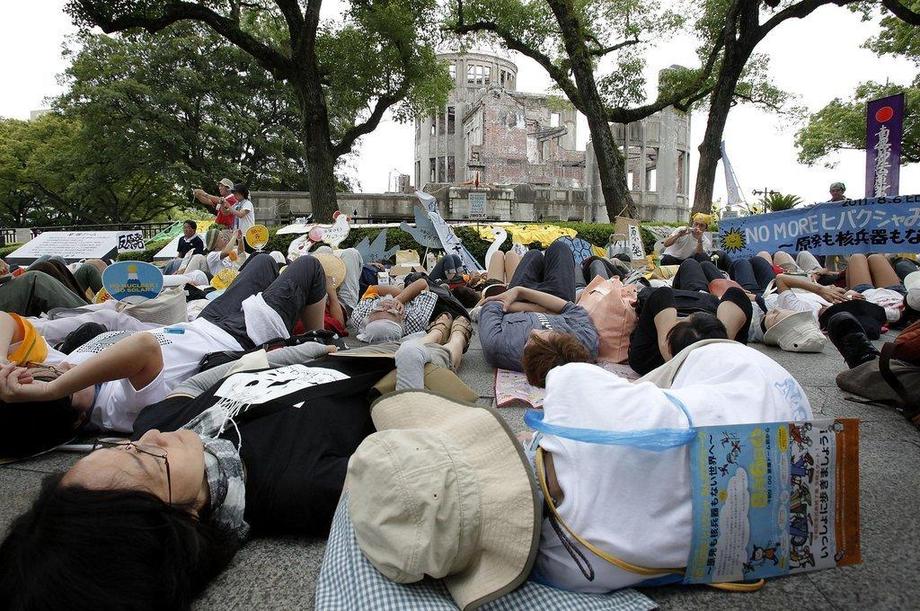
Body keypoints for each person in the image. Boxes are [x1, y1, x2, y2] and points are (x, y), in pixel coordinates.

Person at [343, 341, 812, 609]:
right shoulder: (572, 392)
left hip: (796, 493)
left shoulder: (569, 571)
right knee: (661, 383)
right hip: (771, 389)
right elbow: (584, 373)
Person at [0, 347, 392, 608]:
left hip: (333, 350)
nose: (147, 439)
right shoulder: (303, 488)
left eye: (120, 448)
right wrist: (444, 338)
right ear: (181, 521)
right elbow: (420, 428)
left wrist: (305, 348)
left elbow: (197, 384)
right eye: (148, 461)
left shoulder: (156, 424)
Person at [0, 254, 328, 437]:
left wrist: (3, 363)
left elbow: (3, 319)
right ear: (76, 421)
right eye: (61, 383)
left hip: (205, 322)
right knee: (310, 267)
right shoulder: (116, 410)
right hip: (240, 335)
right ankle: (322, 350)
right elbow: (142, 348)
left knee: (262, 262)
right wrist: (50, 390)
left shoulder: (71, 370)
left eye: (50, 370)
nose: (62, 368)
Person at [478, 240, 599, 382]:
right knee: (560, 247)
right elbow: (571, 308)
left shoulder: (497, 345)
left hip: (520, 302)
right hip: (555, 298)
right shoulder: (585, 345)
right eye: (545, 334)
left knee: (533, 254)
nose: (534, 331)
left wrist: (521, 293)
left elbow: (492, 305)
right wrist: (544, 307)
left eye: (531, 340)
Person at [350, 278, 437, 343]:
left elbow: (373, 289)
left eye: (378, 309)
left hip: (392, 290)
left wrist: (400, 296)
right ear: (402, 318)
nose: (386, 306)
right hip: (413, 296)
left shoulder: (359, 316)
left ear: (369, 317)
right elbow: (423, 283)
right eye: (391, 312)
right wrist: (401, 298)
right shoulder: (416, 320)